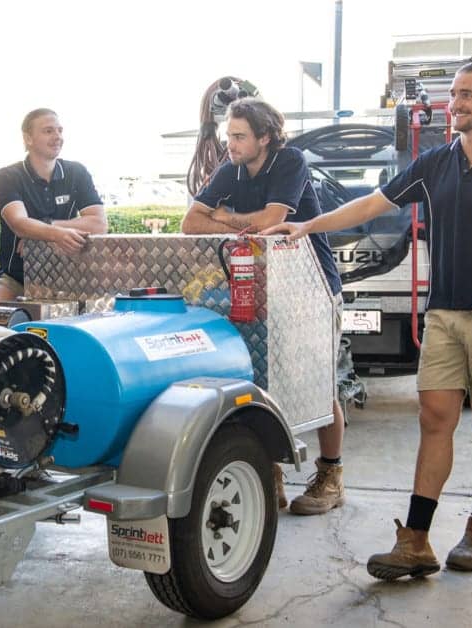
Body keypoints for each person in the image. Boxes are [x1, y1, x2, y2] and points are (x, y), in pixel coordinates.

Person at [262, 61, 472, 580]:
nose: (457, 102)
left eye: (468, 94)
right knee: (434, 419)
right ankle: (417, 541)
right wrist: (308, 224)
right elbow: (371, 204)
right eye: (454, 94)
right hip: (443, 313)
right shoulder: (437, 162)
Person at [182, 97, 348, 516]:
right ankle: (269, 474)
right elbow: (190, 222)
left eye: (239, 136)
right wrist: (240, 220)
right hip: (255, 291)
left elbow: (272, 222)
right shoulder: (231, 168)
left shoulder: (290, 162)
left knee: (317, 381)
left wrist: (225, 217)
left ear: (265, 138)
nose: (231, 144)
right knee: (258, 382)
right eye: (228, 136)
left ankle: (331, 475)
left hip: (312, 288)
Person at [0, 108, 106, 306]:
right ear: (28, 138)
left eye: (60, 130)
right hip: (18, 279)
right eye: (48, 131)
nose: (57, 137)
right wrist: (56, 235)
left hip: (69, 278)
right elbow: (19, 223)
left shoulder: (77, 172)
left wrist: (45, 228)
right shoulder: (7, 176)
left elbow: (99, 224)